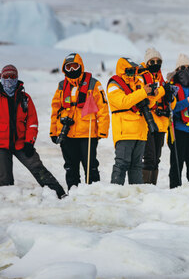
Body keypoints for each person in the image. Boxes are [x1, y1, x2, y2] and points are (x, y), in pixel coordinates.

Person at [1, 65, 66, 198]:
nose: (9, 80)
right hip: (1, 145)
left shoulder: (25, 98)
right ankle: (7, 202)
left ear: (17, 78)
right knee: (4, 177)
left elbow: (32, 122)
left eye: (12, 76)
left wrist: (29, 142)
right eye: (6, 77)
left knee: (37, 167)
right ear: (1, 78)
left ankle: (59, 194)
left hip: (22, 143)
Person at [50, 53, 110, 190]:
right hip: (67, 134)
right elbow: (55, 110)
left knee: (91, 167)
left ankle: (93, 193)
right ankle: (73, 192)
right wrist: (53, 131)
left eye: (74, 66)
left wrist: (102, 130)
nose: (72, 70)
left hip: (87, 134)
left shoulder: (94, 84)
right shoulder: (61, 86)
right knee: (71, 167)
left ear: (81, 66)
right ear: (64, 69)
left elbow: (103, 109)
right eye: (68, 67)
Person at [107, 57, 163, 185]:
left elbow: (147, 104)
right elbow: (123, 102)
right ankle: (116, 192)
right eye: (130, 71)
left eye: (134, 70)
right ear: (122, 70)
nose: (133, 73)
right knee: (121, 164)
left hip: (141, 131)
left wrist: (153, 96)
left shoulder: (138, 82)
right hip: (125, 131)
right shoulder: (114, 85)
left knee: (137, 166)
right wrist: (143, 92)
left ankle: (137, 194)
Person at [166, 54, 189, 188]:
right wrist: (186, 102)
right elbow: (171, 109)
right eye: (182, 68)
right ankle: (175, 188)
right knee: (177, 162)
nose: (186, 71)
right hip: (177, 130)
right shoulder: (172, 87)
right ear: (177, 70)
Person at [140, 48, 176, 185]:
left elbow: (171, 103)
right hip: (147, 121)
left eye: (158, 61)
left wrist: (171, 97)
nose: (155, 63)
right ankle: (146, 187)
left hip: (161, 122)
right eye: (152, 61)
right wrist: (162, 91)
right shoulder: (142, 78)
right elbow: (146, 100)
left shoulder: (162, 80)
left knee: (156, 158)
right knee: (149, 157)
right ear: (146, 62)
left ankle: (152, 186)